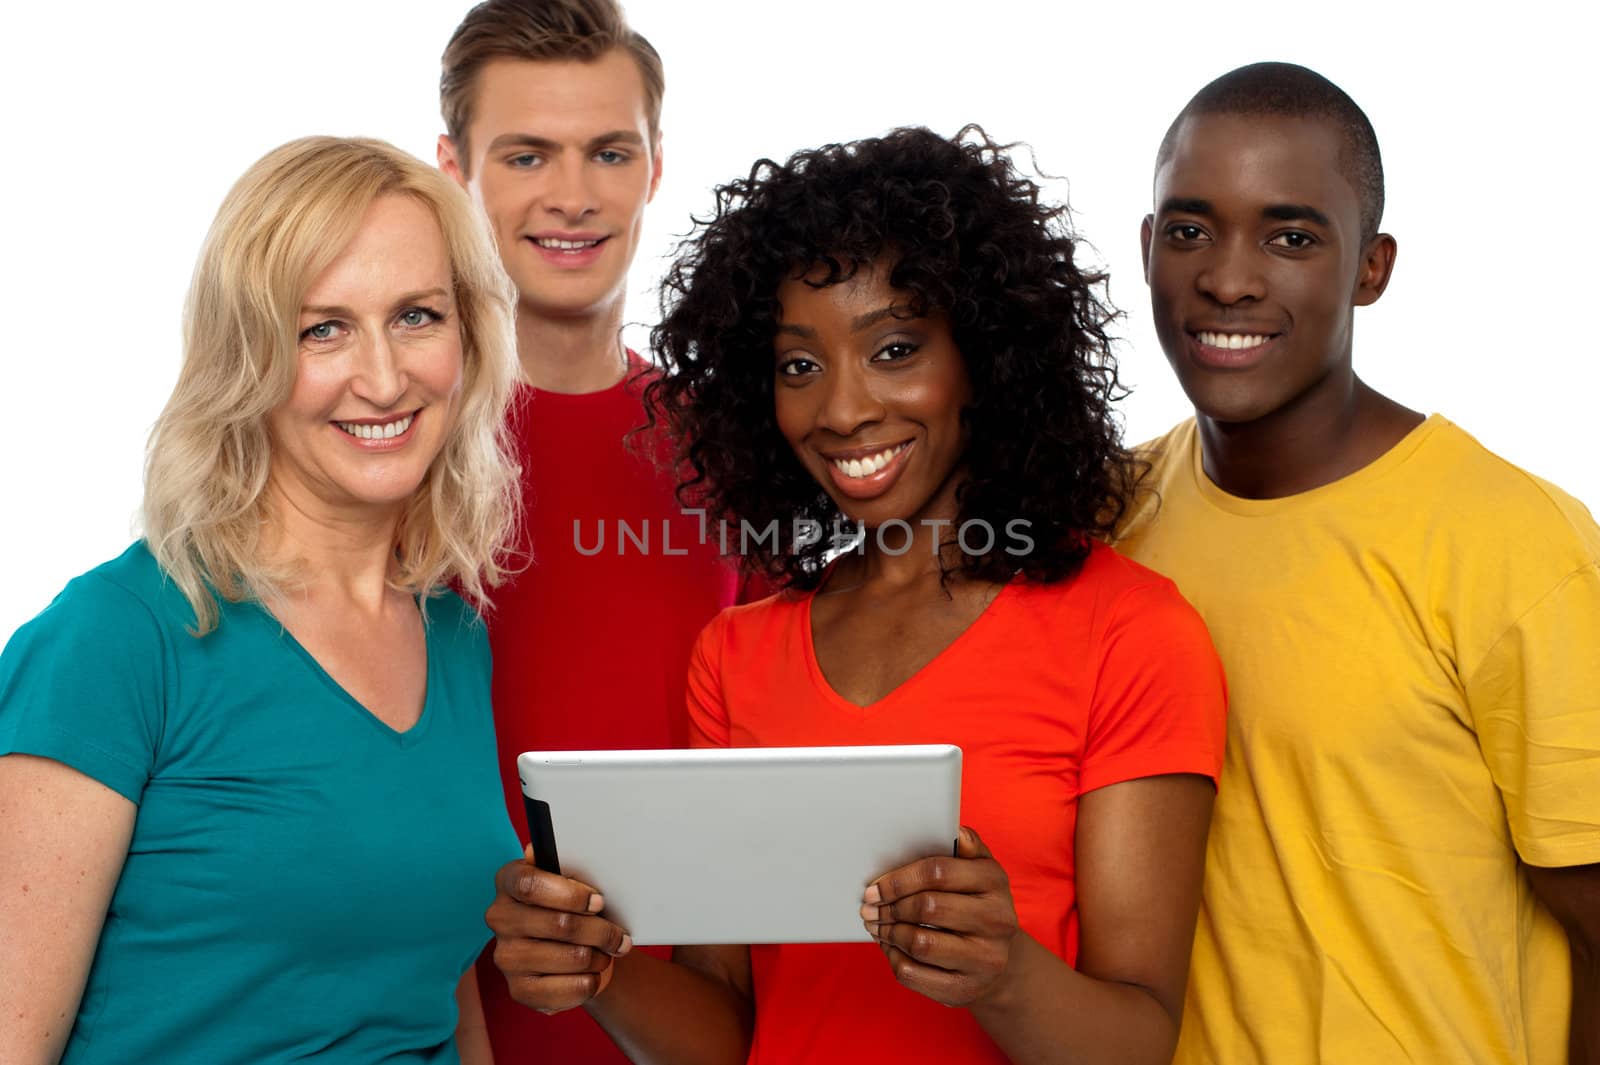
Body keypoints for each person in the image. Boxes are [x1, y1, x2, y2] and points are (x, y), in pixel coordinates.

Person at [485, 126, 1229, 1064]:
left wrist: (1001, 972)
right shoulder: (738, 653)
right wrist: (594, 963)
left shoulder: (1130, 633)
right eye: (800, 365)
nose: (840, 410)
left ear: (985, 356)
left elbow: (1140, 1040)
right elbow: (727, 1032)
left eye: (894, 348)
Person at [0, 136, 522, 1065]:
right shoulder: (116, 639)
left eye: (416, 316)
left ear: (467, 339)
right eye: (323, 328)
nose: (384, 377)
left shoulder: (452, 634)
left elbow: (438, 995)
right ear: (247, 360)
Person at [1116, 62, 1600, 1064]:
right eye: (1189, 229)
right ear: (1146, 248)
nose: (1228, 277)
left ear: (1371, 269)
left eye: (1290, 237)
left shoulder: (1517, 545)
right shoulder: (1104, 516)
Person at [435, 3, 739, 1058]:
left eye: (609, 152)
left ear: (655, 167)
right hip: (436, 1028)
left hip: (687, 1033)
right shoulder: (382, 448)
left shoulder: (736, 451)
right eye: (527, 154)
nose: (573, 196)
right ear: (453, 167)